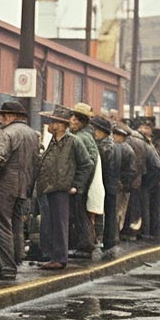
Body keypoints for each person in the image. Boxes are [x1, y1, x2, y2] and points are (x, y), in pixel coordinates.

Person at [0, 100, 41, 280]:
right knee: (16, 225)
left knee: (0, 225)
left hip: (2, 185)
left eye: (2, 116)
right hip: (23, 186)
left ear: (9, 116)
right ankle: (14, 261)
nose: (1, 119)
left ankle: (6, 268)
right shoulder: (33, 135)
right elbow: (37, 163)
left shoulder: (5, 134)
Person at [36, 105, 92, 270]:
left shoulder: (73, 141)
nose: (51, 125)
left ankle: (60, 258)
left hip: (62, 189)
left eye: (54, 122)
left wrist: (76, 186)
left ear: (62, 125)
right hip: (50, 187)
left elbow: (87, 164)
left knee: (60, 224)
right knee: (53, 223)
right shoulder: (53, 141)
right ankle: (54, 256)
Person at [67, 103, 100, 256]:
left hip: (80, 184)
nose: (70, 122)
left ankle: (85, 246)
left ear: (80, 121)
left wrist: (78, 184)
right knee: (81, 214)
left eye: (73, 119)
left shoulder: (81, 138)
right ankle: (84, 244)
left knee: (80, 215)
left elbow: (87, 164)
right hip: (84, 183)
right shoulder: (87, 136)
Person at [91, 117, 122, 250]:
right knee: (110, 212)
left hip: (106, 183)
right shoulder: (113, 145)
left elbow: (104, 165)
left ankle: (109, 239)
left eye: (95, 130)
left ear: (102, 132)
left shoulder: (105, 146)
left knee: (107, 212)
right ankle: (111, 239)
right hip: (112, 183)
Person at [111, 125, 136, 243]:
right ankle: (116, 235)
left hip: (121, 186)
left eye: (115, 135)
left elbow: (130, 171)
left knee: (117, 211)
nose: (113, 137)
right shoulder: (127, 149)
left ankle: (115, 236)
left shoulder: (122, 149)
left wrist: (123, 183)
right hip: (124, 186)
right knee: (120, 211)